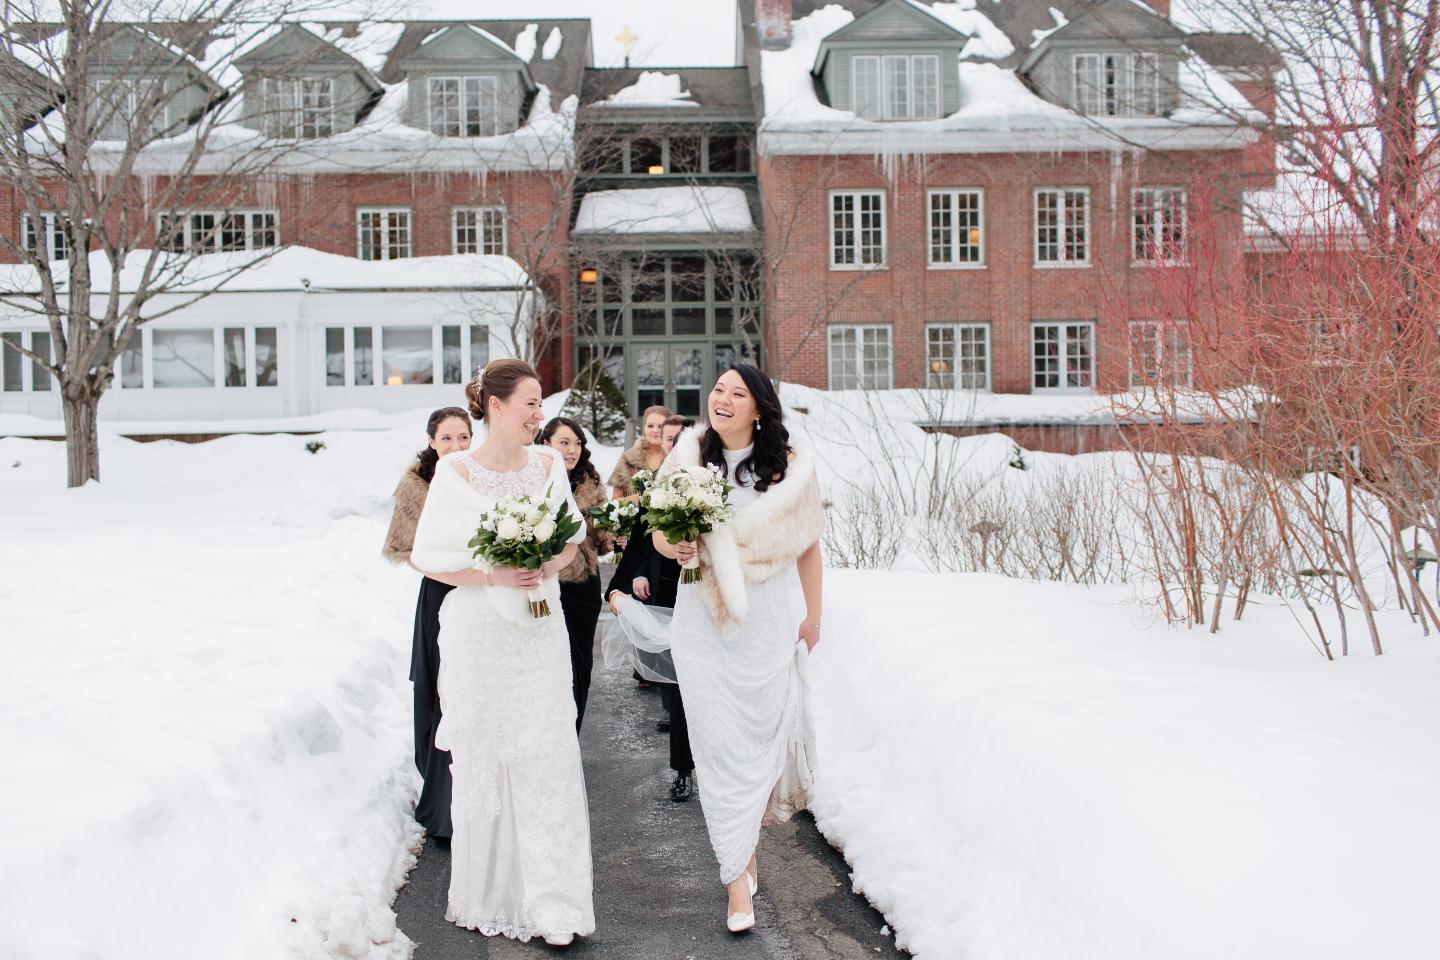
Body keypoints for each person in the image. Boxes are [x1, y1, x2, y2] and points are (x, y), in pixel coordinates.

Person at [409, 359, 594, 947]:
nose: (539, 415)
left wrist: (545, 562)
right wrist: (491, 572)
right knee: (490, 757)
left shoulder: (546, 465)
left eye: (541, 404)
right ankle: (492, 891)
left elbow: (570, 541)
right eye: (531, 404)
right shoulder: (455, 471)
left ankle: (555, 901)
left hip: (539, 628)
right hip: (479, 632)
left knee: (547, 755)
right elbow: (427, 555)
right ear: (495, 406)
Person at [652, 364, 825, 934]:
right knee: (716, 742)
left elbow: (807, 547)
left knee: (755, 743)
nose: (722, 400)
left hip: (768, 617)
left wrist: (813, 615)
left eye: (737, 393)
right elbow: (659, 529)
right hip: (702, 616)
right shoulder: (686, 456)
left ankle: (743, 854)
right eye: (718, 390)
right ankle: (735, 883)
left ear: (759, 407)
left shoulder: (790, 470)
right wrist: (674, 543)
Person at [382, 406, 473, 843]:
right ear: (432, 442)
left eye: (463, 437)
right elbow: (409, 550)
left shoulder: (481, 474)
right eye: (448, 438)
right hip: (441, 593)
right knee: (442, 693)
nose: (456, 446)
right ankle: (442, 808)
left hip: (483, 594)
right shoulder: (418, 485)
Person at [607, 414, 695, 801]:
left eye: (682, 439)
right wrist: (615, 590)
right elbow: (636, 549)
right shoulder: (654, 494)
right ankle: (682, 771)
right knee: (680, 692)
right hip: (668, 600)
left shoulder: (715, 491)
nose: (674, 445)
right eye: (670, 440)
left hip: (711, 605)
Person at [539, 415, 610, 732]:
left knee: (579, 664)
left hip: (582, 586)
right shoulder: (533, 480)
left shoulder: (591, 483)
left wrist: (611, 537)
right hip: (543, 584)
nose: (571, 450)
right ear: (546, 444)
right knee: (548, 666)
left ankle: (572, 736)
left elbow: (599, 539)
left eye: (577, 443)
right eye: (563, 443)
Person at [608, 404, 672, 502]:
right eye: (650, 426)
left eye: (661, 426)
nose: (655, 430)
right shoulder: (628, 460)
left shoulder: (679, 458)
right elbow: (615, 501)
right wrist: (640, 498)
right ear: (644, 428)